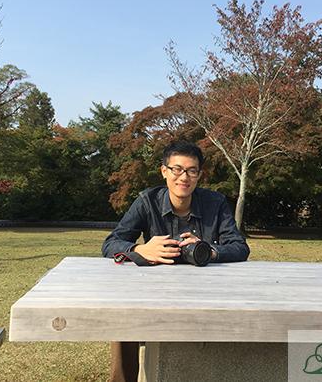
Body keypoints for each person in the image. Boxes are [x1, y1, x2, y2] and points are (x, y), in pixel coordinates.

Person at [102, 140, 250, 382]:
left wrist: (209, 251)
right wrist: (141, 249)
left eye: (192, 171)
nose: (184, 177)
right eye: (177, 169)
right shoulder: (147, 201)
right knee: (123, 319)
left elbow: (240, 247)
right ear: (164, 171)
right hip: (156, 292)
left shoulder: (215, 203)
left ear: (199, 175)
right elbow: (111, 243)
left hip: (208, 294)